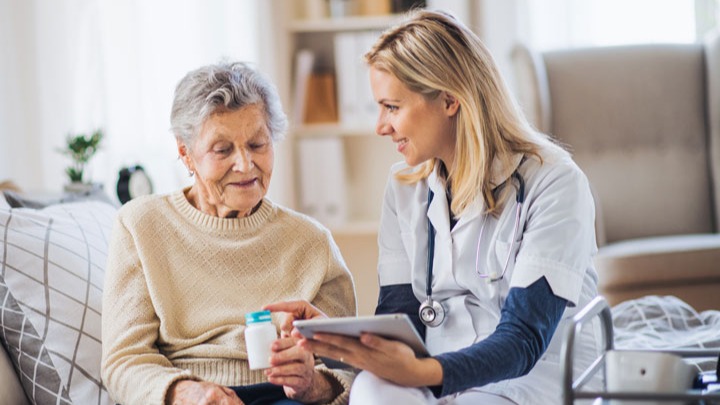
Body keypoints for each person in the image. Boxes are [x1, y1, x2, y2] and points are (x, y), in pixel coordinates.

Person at [268, 9, 601, 405]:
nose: (380, 126)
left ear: (448, 100)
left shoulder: (554, 182)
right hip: (438, 371)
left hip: (532, 378)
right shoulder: (404, 189)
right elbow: (403, 319)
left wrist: (421, 373)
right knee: (371, 390)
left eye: (392, 107)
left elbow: (523, 341)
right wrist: (337, 339)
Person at [101, 61, 357, 405]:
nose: (245, 165)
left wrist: (312, 383)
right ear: (185, 153)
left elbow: (351, 370)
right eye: (223, 150)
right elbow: (124, 361)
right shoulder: (141, 225)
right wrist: (186, 393)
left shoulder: (312, 242)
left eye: (257, 145)